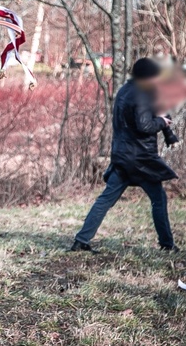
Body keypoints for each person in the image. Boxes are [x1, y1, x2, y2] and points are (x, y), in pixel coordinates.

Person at [71, 58, 178, 252]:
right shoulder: (142, 95)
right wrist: (162, 123)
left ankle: (81, 240)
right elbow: (145, 125)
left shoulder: (124, 91)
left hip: (122, 155)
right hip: (141, 160)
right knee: (159, 199)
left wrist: (167, 131)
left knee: (105, 200)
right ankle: (167, 245)